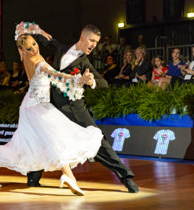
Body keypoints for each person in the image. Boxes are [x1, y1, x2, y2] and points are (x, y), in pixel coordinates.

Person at [0, 22, 103, 196]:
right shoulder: (38, 62)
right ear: (23, 50)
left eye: (35, 44)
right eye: (29, 48)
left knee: (20, 146)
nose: (34, 49)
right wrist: (78, 80)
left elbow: (19, 29)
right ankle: (69, 177)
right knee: (55, 138)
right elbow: (58, 76)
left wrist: (38, 31)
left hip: (31, 104)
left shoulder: (23, 55)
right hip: (36, 107)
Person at [30, 23, 139, 193]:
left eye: (96, 42)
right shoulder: (62, 49)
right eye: (92, 40)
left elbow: (104, 83)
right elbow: (44, 39)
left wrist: (91, 81)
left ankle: (127, 177)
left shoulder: (84, 62)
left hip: (75, 109)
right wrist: (25, 30)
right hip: (54, 106)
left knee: (98, 142)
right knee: (44, 139)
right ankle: (33, 177)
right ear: (82, 37)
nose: (94, 45)